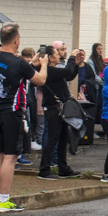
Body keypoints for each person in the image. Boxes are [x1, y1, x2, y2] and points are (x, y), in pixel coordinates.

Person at [0, 24, 48, 212]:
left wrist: (29, 64)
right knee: (10, 157)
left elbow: (10, 74)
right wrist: (43, 65)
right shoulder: (18, 62)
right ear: (16, 40)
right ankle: (4, 198)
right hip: (13, 112)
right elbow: (40, 80)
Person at [36, 46, 85, 180]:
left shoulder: (54, 71)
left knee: (63, 138)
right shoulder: (49, 70)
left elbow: (69, 75)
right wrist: (72, 58)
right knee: (53, 139)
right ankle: (44, 169)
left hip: (61, 109)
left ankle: (63, 167)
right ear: (50, 58)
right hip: (53, 109)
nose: (59, 56)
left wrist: (77, 64)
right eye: (57, 54)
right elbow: (67, 71)